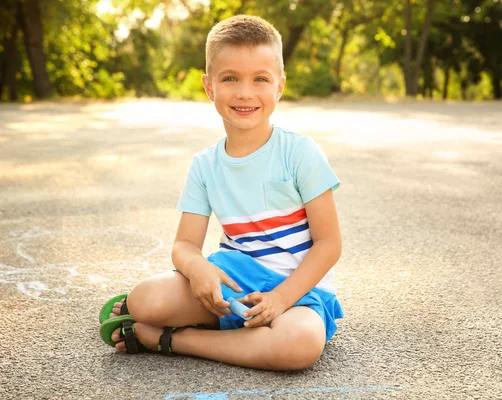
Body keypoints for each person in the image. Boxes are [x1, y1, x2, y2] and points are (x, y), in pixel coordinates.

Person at [100, 15, 343, 371]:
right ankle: (215, 325)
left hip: (298, 289)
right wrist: (198, 269)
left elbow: (328, 244)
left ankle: (172, 339)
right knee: (144, 300)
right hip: (232, 276)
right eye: (230, 78)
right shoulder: (205, 165)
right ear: (209, 86)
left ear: (279, 87)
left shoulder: (300, 153)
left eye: (260, 79)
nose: (245, 92)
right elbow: (184, 246)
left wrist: (280, 299)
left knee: (299, 346)